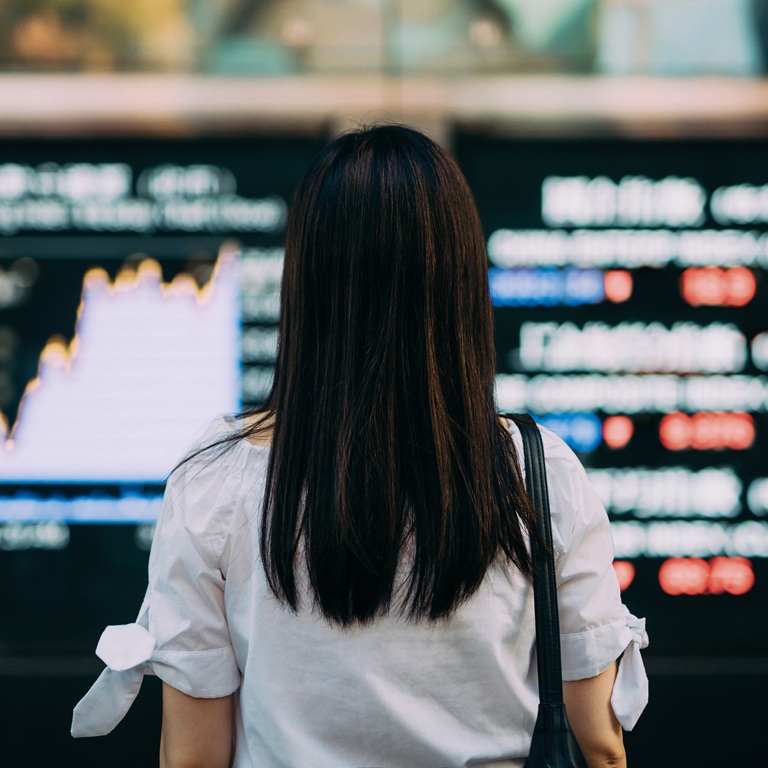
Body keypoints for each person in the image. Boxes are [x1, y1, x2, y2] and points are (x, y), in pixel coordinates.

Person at [71, 124, 648, 767]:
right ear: (459, 282)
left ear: (307, 283)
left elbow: (193, 758)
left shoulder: (216, 481)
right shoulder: (538, 476)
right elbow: (598, 747)